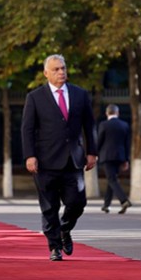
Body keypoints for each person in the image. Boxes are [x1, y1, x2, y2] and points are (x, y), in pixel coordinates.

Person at [21, 54, 97, 261]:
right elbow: (27, 129)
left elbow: (89, 125)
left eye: (63, 68)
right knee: (49, 206)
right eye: (56, 69)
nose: (61, 72)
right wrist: (30, 155)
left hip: (73, 159)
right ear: (46, 73)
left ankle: (65, 229)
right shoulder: (35, 97)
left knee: (78, 201)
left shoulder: (80, 95)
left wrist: (92, 152)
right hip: (45, 161)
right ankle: (54, 247)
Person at [97, 104, 131, 214]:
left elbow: (99, 141)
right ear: (117, 113)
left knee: (112, 179)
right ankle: (106, 205)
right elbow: (127, 144)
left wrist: (94, 154)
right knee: (112, 179)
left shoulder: (104, 125)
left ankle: (124, 200)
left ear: (107, 113)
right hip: (120, 156)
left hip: (107, 156)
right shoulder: (124, 125)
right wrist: (126, 160)